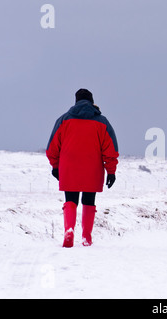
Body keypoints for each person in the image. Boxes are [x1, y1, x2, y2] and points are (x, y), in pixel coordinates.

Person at [46, 89, 119, 247]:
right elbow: (110, 149)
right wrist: (111, 171)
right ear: (92, 101)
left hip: (69, 168)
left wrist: (55, 166)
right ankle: (86, 237)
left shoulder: (63, 120)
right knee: (89, 200)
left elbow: (52, 147)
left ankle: (69, 230)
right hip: (92, 169)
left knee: (71, 200)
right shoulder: (102, 122)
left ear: (76, 101)